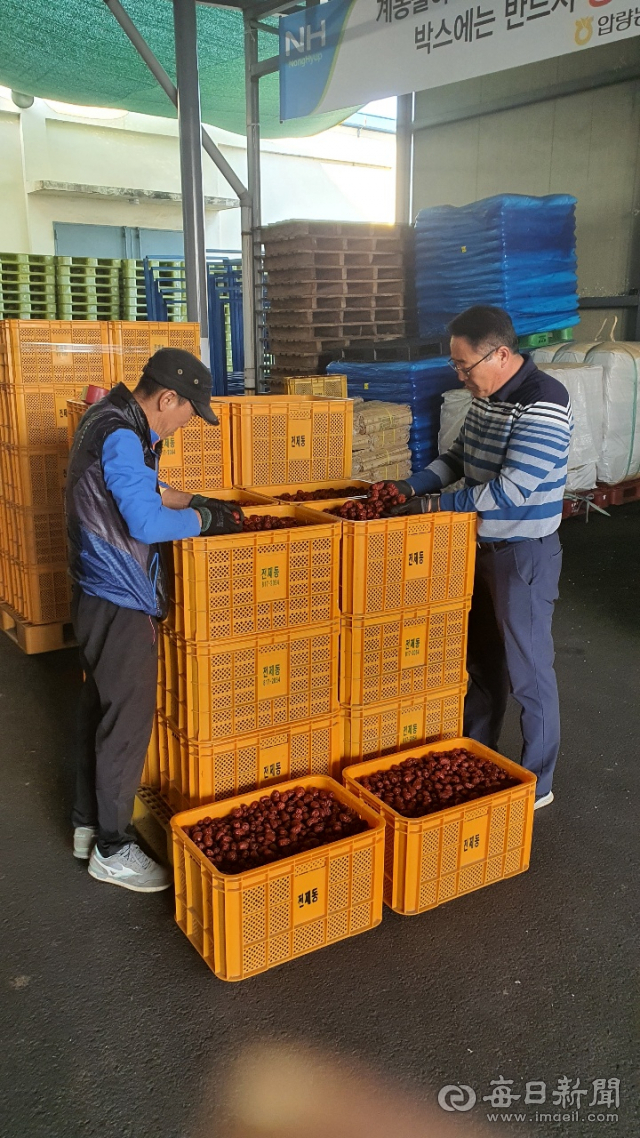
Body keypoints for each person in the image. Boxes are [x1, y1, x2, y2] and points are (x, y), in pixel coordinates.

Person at [65, 348, 243, 891]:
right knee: (127, 721)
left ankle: (87, 825)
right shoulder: (122, 434)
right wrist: (203, 521)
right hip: (116, 595)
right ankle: (113, 849)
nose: (190, 422)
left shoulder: (111, 419)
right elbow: (144, 521)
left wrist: (204, 502)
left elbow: (147, 491)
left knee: (99, 708)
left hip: (94, 591)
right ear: (168, 397)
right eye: (191, 411)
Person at [387, 306, 573, 809]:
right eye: (456, 367)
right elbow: (457, 459)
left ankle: (538, 781)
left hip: (522, 555)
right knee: (484, 662)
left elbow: (512, 489)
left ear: (501, 354)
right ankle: (479, 755)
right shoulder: (487, 399)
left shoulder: (545, 401)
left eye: (465, 366)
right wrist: (408, 485)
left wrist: (430, 505)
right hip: (477, 548)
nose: (461, 376)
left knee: (529, 670)